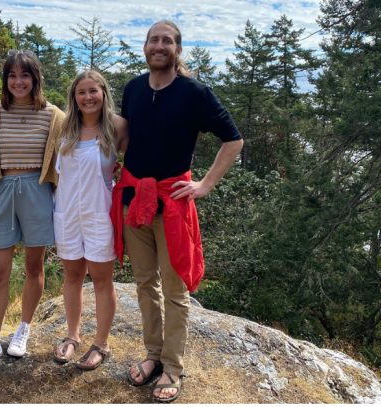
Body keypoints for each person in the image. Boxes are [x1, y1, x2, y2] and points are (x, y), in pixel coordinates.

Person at [112, 21, 244, 402]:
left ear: (177, 50)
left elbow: (233, 140)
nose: (159, 46)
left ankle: (172, 367)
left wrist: (205, 185)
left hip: (172, 203)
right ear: (145, 47)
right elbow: (128, 136)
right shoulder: (134, 88)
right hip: (135, 200)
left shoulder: (194, 93)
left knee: (174, 289)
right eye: (153, 40)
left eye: (166, 41)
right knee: (144, 283)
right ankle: (152, 356)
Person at [0, 50, 65, 375]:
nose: (18, 81)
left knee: (33, 265)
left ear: (35, 78)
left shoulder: (54, 115)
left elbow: (82, 138)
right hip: (1, 191)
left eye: (24, 75)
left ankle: (23, 329)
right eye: (12, 75)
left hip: (38, 192)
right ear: (5, 81)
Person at [52, 70, 128, 370]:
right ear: (74, 97)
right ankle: (72, 336)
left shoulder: (117, 126)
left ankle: (101, 342)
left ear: (104, 93)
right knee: (72, 277)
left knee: (100, 280)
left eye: (93, 91)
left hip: (100, 213)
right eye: (81, 92)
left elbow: (138, 162)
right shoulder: (65, 128)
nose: (87, 97)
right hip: (67, 212)